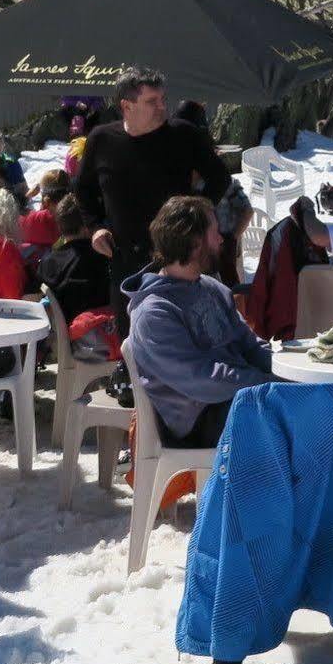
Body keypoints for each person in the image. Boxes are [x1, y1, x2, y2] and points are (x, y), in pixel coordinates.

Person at [73, 66, 228, 328]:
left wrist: (196, 218)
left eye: (163, 100)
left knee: (188, 333)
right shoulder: (102, 140)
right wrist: (96, 227)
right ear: (127, 105)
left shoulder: (184, 135)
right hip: (126, 258)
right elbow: (83, 189)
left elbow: (220, 178)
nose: (161, 107)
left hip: (179, 257)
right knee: (132, 339)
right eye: (151, 101)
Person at [123, 196, 276, 449]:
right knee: (303, 423)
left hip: (240, 398)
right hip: (200, 421)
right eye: (214, 233)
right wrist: (268, 384)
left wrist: (287, 373)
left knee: (329, 403)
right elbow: (203, 379)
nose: (221, 239)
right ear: (194, 242)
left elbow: (250, 345)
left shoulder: (211, 288)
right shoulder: (154, 312)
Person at [41, 196, 110, 323]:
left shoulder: (47, 262)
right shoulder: (102, 257)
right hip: (102, 332)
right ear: (86, 226)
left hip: (65, 334)